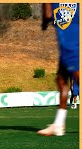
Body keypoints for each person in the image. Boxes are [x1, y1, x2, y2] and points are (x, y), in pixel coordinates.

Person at [38, 3, 79, 136]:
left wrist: (44, 23)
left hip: (70, 39)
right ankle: (59, 124)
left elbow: (48, 14)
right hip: (72, 36)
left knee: (77, 77)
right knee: (61, 79)